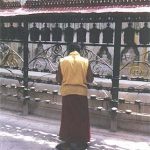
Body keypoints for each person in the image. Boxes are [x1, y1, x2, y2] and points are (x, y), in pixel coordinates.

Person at [56, 43, 94, 149]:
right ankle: (80, 141)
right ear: (79, 51)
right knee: (81, 118)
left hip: (67, 93)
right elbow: (90, 79)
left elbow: (58, 79)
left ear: (68, 50)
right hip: (81, 93)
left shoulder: (63, 61)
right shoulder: (85, 61)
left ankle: (67, 140)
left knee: (67, 117)